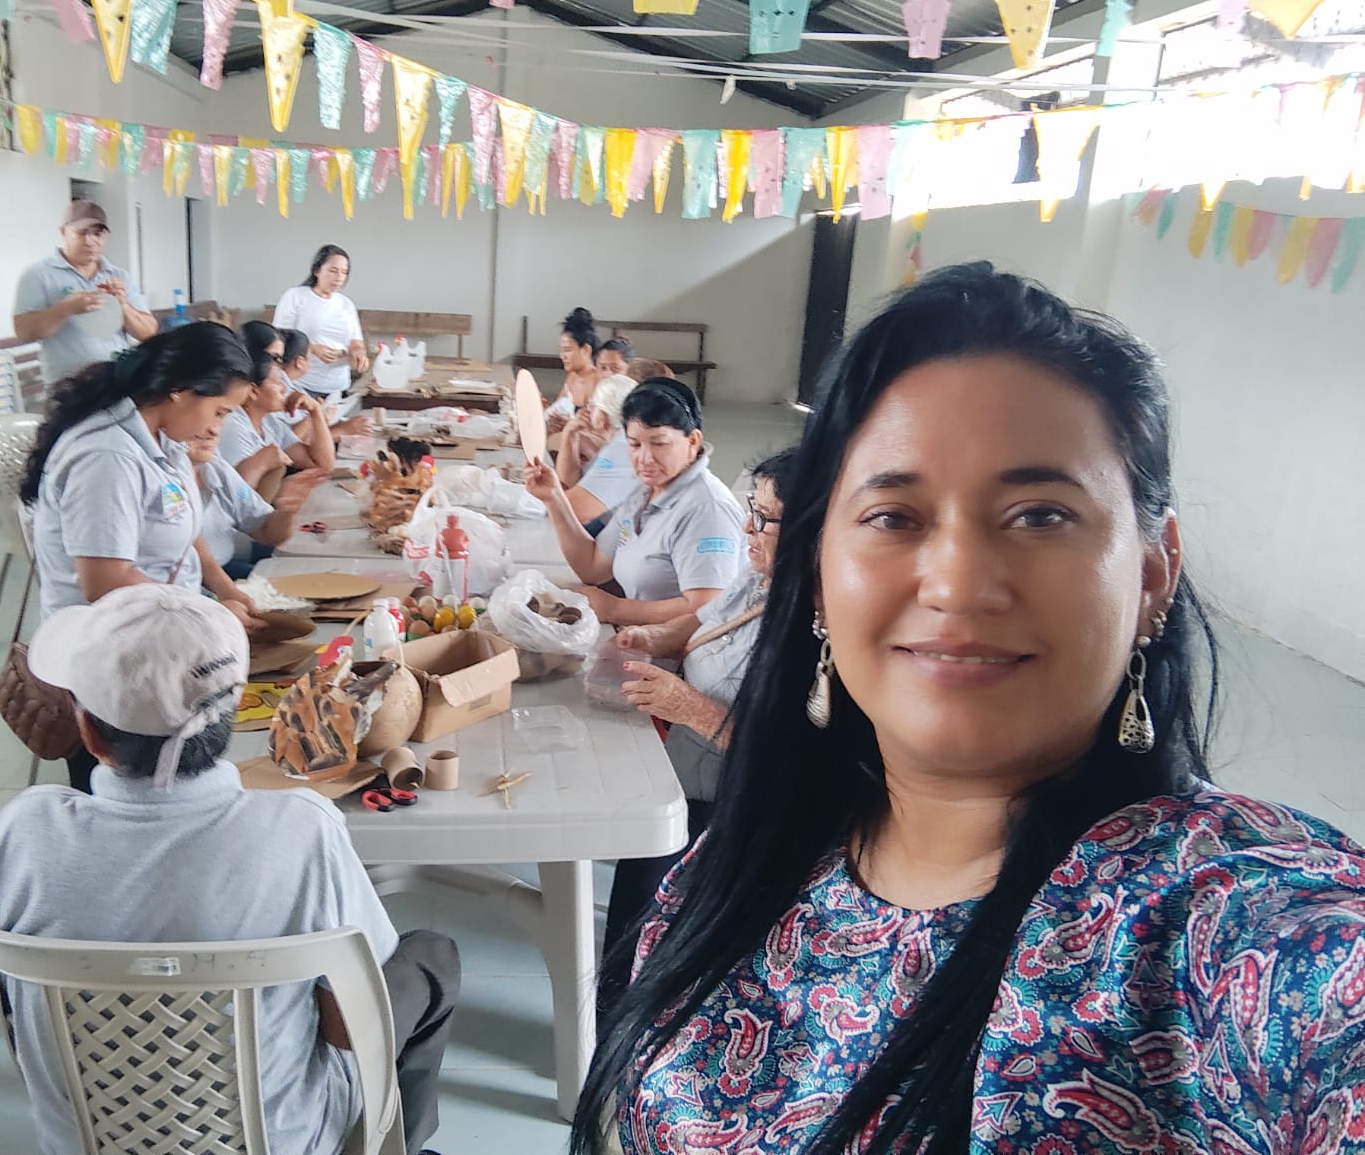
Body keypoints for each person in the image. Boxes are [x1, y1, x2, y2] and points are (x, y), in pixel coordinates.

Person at [571, 263, 1365, 1155]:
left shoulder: (1226, 924)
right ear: (819, 577)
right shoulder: (748, 854)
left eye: (1038, 516)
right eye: (893, 516)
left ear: (1152, 572)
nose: (955, 584)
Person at [0, 586, 460, 1155]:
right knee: (431, 955)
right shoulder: (302, 829)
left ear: (90, 734)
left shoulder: (24, 830)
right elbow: (344, 1026)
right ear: (237, 712)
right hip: (286, 1141)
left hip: (86, 1140)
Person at [593, 448, 796, 1029]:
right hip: (682, 777)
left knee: (662, 938)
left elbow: (792, 755)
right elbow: (705, 622)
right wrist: (652, 638)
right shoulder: (760, 576)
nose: (747, 529)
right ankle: (613, 1018)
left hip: (727, 810)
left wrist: (688, 706)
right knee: (634, 919)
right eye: (752, 510)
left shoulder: (815, 625)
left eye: (765, 519)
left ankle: (628, 1030)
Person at [19, 321, 267, 791]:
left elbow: (183, 529)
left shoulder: (162, 440)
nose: (217, 427)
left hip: (155, 639)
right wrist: (206, 615)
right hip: (109, 655)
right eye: (219, 410)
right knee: (121, 795)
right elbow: (106, 582)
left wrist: (223, 588)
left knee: (169, 787)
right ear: (180, 390)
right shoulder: (108, 456)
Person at [525, 378, 743, 627]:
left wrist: (615, 609)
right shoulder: (645, 492)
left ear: (692, 442)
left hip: (687, 649)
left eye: (659, 444)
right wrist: (554, 499)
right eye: (635, 445)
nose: (645, 458)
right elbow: (592, 567)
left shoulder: (707, 508)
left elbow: (708, 607)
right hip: (642, 637)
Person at [13, 200, 158, 386]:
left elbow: (148, 333)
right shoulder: (39, 274)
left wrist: (122, 304)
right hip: (68, 386)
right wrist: (66, 308)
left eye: (97, 234)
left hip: (116, 381)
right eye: (82, 233)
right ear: (63, 232)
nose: (90, 241)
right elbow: (24, 332)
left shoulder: (119, 276)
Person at [188, 425, 325, 580]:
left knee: (317, 570)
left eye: (219, 416)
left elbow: (265, 531)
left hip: (221, 565)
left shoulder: (214, 466)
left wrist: (287, 512)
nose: (215, 430)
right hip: (195, 582)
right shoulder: (167, 479)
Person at [220, 323, 337, 493]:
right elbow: (236, 499)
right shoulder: (233, 427)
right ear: (253, 391)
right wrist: (260, 466)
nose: (284, 389)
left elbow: (323, 465)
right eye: (277, 383)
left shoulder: (269, 422)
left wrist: (316, 412)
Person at [272, 244, 369, 400]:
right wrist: (313, 348)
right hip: (302, 386)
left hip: (339, 387)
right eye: (333, 270)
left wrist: (359, 353)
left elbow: (356, 342)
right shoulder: (296, 297)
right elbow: (279, 336)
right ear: (317, 270)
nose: (339, 277)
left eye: (344, 272)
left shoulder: (346, 304)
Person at [558, 374, 638, 524]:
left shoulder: (620, 449)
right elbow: (571, 482)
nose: (587, 410)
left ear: (601, 416)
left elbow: (574, 510)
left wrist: (543, 495)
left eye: (591, 405)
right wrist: (570, 435)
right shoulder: (617, 442)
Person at [547, 307, 601, 433]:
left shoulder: (598, 382)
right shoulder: (572, 376)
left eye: (567, 350)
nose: (562, 356)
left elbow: (600, 430)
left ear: (586, 350)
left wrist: (570, 425)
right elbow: (559, 409)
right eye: (561, 350)